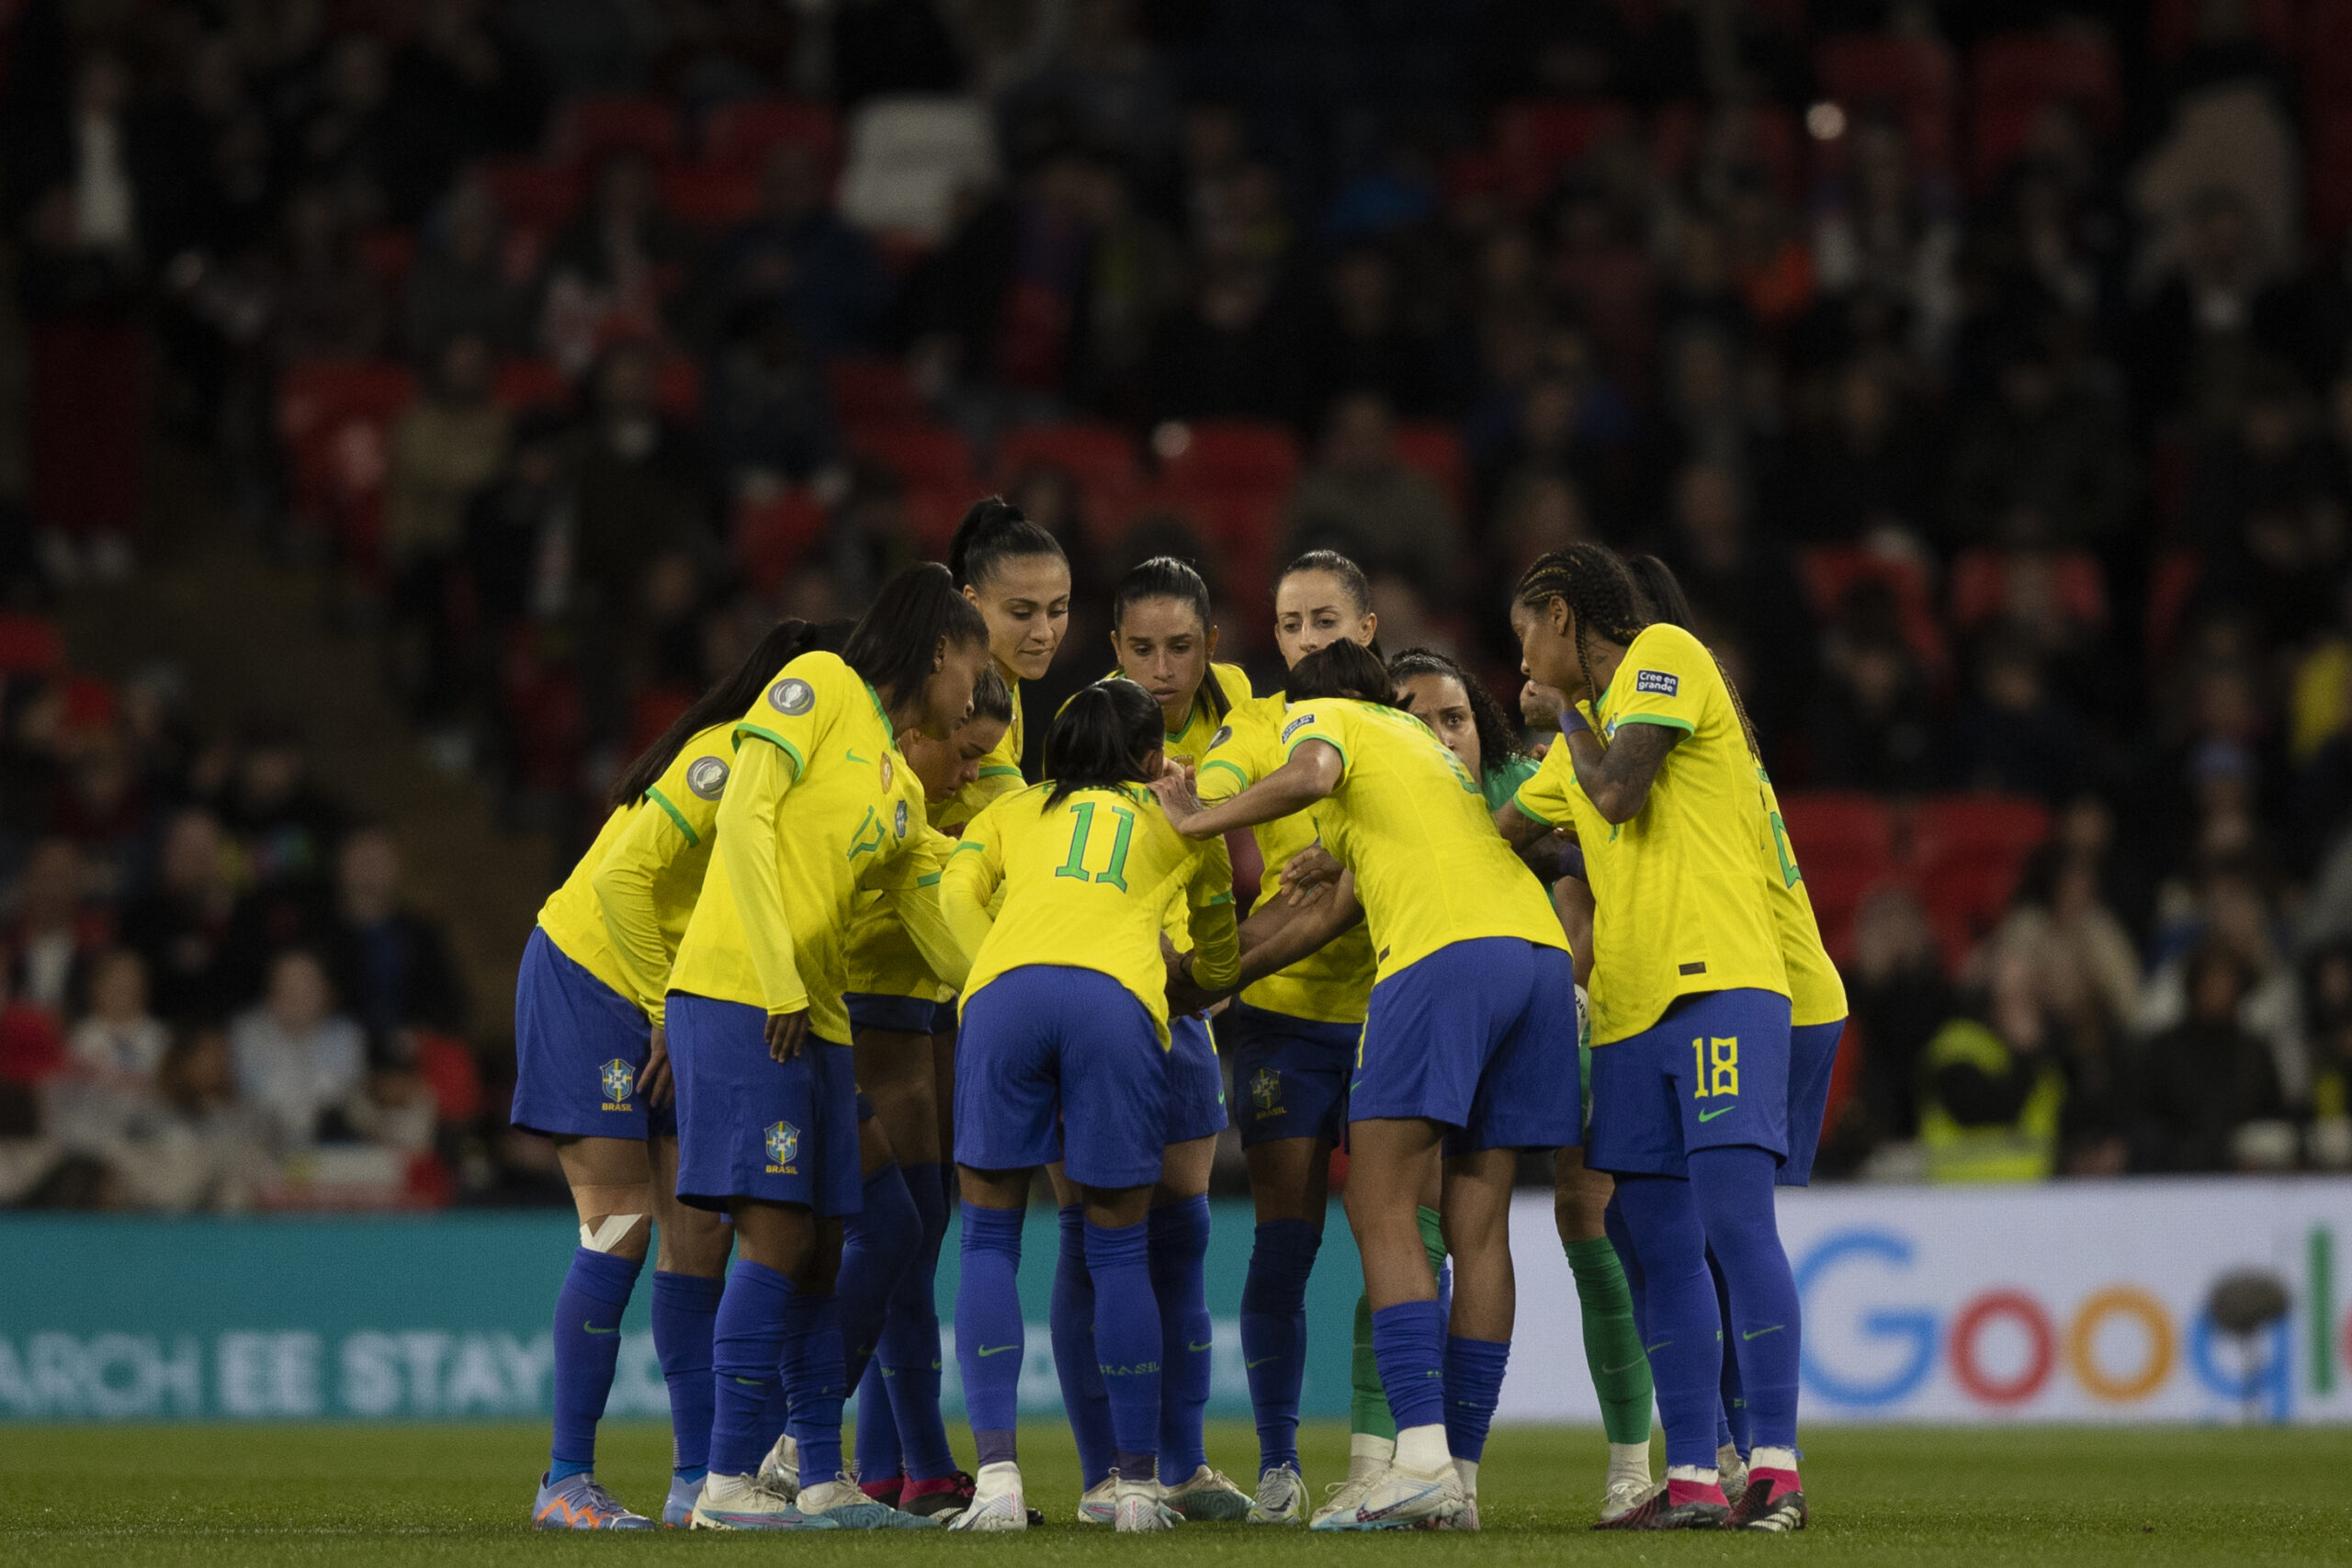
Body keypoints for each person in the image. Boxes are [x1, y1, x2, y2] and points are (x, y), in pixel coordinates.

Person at [1155, 638, 1583, 1532]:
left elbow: (1310, 771)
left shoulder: (1337, 715)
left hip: (1441, 959)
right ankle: (1457, 1480)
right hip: (1536, 960)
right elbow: (1325, 912)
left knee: (1380, 1203)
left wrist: (1202, 818)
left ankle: (1416, 1456)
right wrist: (1204, 981)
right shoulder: (1431, 768)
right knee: (1478, 1221)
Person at [664, 564, 990, 1530]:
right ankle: (724, 1483)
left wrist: (1013, 986)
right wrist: (774, 975)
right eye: (970, 674)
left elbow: (941, 923)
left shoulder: (897, 786)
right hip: (742, 995)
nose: (974, 698)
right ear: (938, 653)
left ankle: (817, 1477)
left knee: (825, 1251)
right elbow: (744, 814)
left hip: (819, 1024)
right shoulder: (818, 682)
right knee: (776, 1234)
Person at [1494, 542, 1804, 1532]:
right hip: (1627, 1014)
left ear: (1558, 614)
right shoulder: (1573, 741)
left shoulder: (1663, 655)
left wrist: (1569, 719)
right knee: (1659, 1248)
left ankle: (1776, 1471)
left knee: (1733, 1226)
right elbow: (1504, 830)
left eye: (1524, 637)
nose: (1523, 664)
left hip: (1719, 986)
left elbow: (1619, 791)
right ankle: (1693, 1483)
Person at [510, 617, 839, 1529]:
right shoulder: (725, 756)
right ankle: (564, 1481)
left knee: (699, 1245)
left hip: (677, 1001)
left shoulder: (804, 783)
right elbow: (619, 882)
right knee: (619, 1227)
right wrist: (662, 1013)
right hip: (593, 980)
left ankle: (700, 1479)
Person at [940, 679, 1241, 1533]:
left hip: (1006, 995)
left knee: (989, 1239)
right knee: (1119, 1250)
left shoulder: (1010, 810)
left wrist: (990, 967)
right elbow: (1218, 938)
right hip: (1116, 1002)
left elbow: (953, 893)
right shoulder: (1178, 816)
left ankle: (996, 1478)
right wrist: (1203, 978)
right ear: (1150, 758)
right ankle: (1138, 1488)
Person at [1390, 644, 1660, 1523]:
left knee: (1590, 1216)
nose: (1437, 735)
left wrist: (1573, 993)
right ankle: (1428, 1468)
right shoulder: (1389, 789)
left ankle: (1632, 1464)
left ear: (1482, 723)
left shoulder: (1525, 780)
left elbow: (1586, 897)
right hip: (1460, 1017)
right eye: (1417, 720)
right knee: (1427, 1221)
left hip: (1569, 1011)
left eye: (1453, 717)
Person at [1052, 557, 1254, 1522]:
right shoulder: (1079, 739)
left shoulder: (1245, 713)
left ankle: (1181, 1461)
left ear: (1212, 649)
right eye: (1141, 648)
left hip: (1185, 1017)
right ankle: (1104, 1470)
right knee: (1090, 1234)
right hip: (1105, 1006)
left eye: (1180, 648)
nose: (1163, 669)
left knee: (1184, 1232)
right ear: (1112, 652)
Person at [1190, 549, 1385, 1525]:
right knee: (1285, 1244)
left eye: (1326, 623)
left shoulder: (1393, 726)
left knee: (1403, 1243)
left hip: (1391, 1015)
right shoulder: (1259, 727)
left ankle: (1389, 1454)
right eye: (1292, 625)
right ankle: (1277, 1465)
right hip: (1284, 1020)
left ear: (1367, 628)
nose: (1308, 640)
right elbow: (1214, 791)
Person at [840, 667, 1013, 1517]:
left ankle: (887, 1465)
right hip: (870, 1014)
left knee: (910, 1234)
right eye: (968, 751)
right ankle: (794, 1439)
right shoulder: (884, 799)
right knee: (897, 1236)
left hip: (920, 1017)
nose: (975, 772)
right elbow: (945, 928)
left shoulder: (995, 786)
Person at [948, 497, 1073, 821]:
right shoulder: (961, 697)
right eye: (1022, 613)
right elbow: (1024, 825)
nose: (1044, 632)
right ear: (972, 602)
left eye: (1058, 610)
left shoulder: (1005, 676)